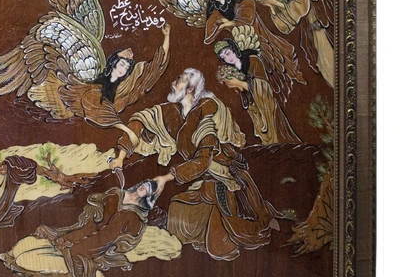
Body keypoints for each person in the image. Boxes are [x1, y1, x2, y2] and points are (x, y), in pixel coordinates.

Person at [114, 67, 282, 262]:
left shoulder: (206, 110)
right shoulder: (173, 112)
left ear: (190, 88)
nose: (173, 83)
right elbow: (141, 120)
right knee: (178, 208)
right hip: (199, 177)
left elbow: (203, 162)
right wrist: (121, 155)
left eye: (179, 80)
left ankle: (253, 225)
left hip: (223, 177)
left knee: (221, 243)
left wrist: (166, 178)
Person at [0, 180, 159, 277]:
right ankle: (12, 254)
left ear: (149, 196)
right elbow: (94, 212)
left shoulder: (134, 217)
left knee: (40, 258)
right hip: (84, 230)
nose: (143, 187)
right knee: (36, 242)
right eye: (144, 184)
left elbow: (116, 238)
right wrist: (72, 234)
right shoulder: (117, 194)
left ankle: (91, 270)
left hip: (97, 245)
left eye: (147, 189)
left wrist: (76, 249)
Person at [203, 0, 305, 102]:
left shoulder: (240, 1)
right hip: (242, 45)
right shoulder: (216, 11)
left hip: (259, 38)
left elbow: (246, 18)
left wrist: (226, 24)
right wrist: (224, 24)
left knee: (276, 63)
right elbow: (208, 36)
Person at [261, 0, 334, 88]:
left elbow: (301, 8)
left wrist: (277, 3)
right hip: (309, 33)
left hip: (320, 27)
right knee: (321, 64)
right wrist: (272, 7)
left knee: (329, 60)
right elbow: (286, 26)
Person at [215, 38, 301, 144]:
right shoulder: (233, 71)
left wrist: (241, 83)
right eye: (223, 57)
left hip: (266, 105)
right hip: (254, 107)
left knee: (275, 132)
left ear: (234, 49)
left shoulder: (253, 60)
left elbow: (264, 86)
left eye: (228, 53)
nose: (228, 58)